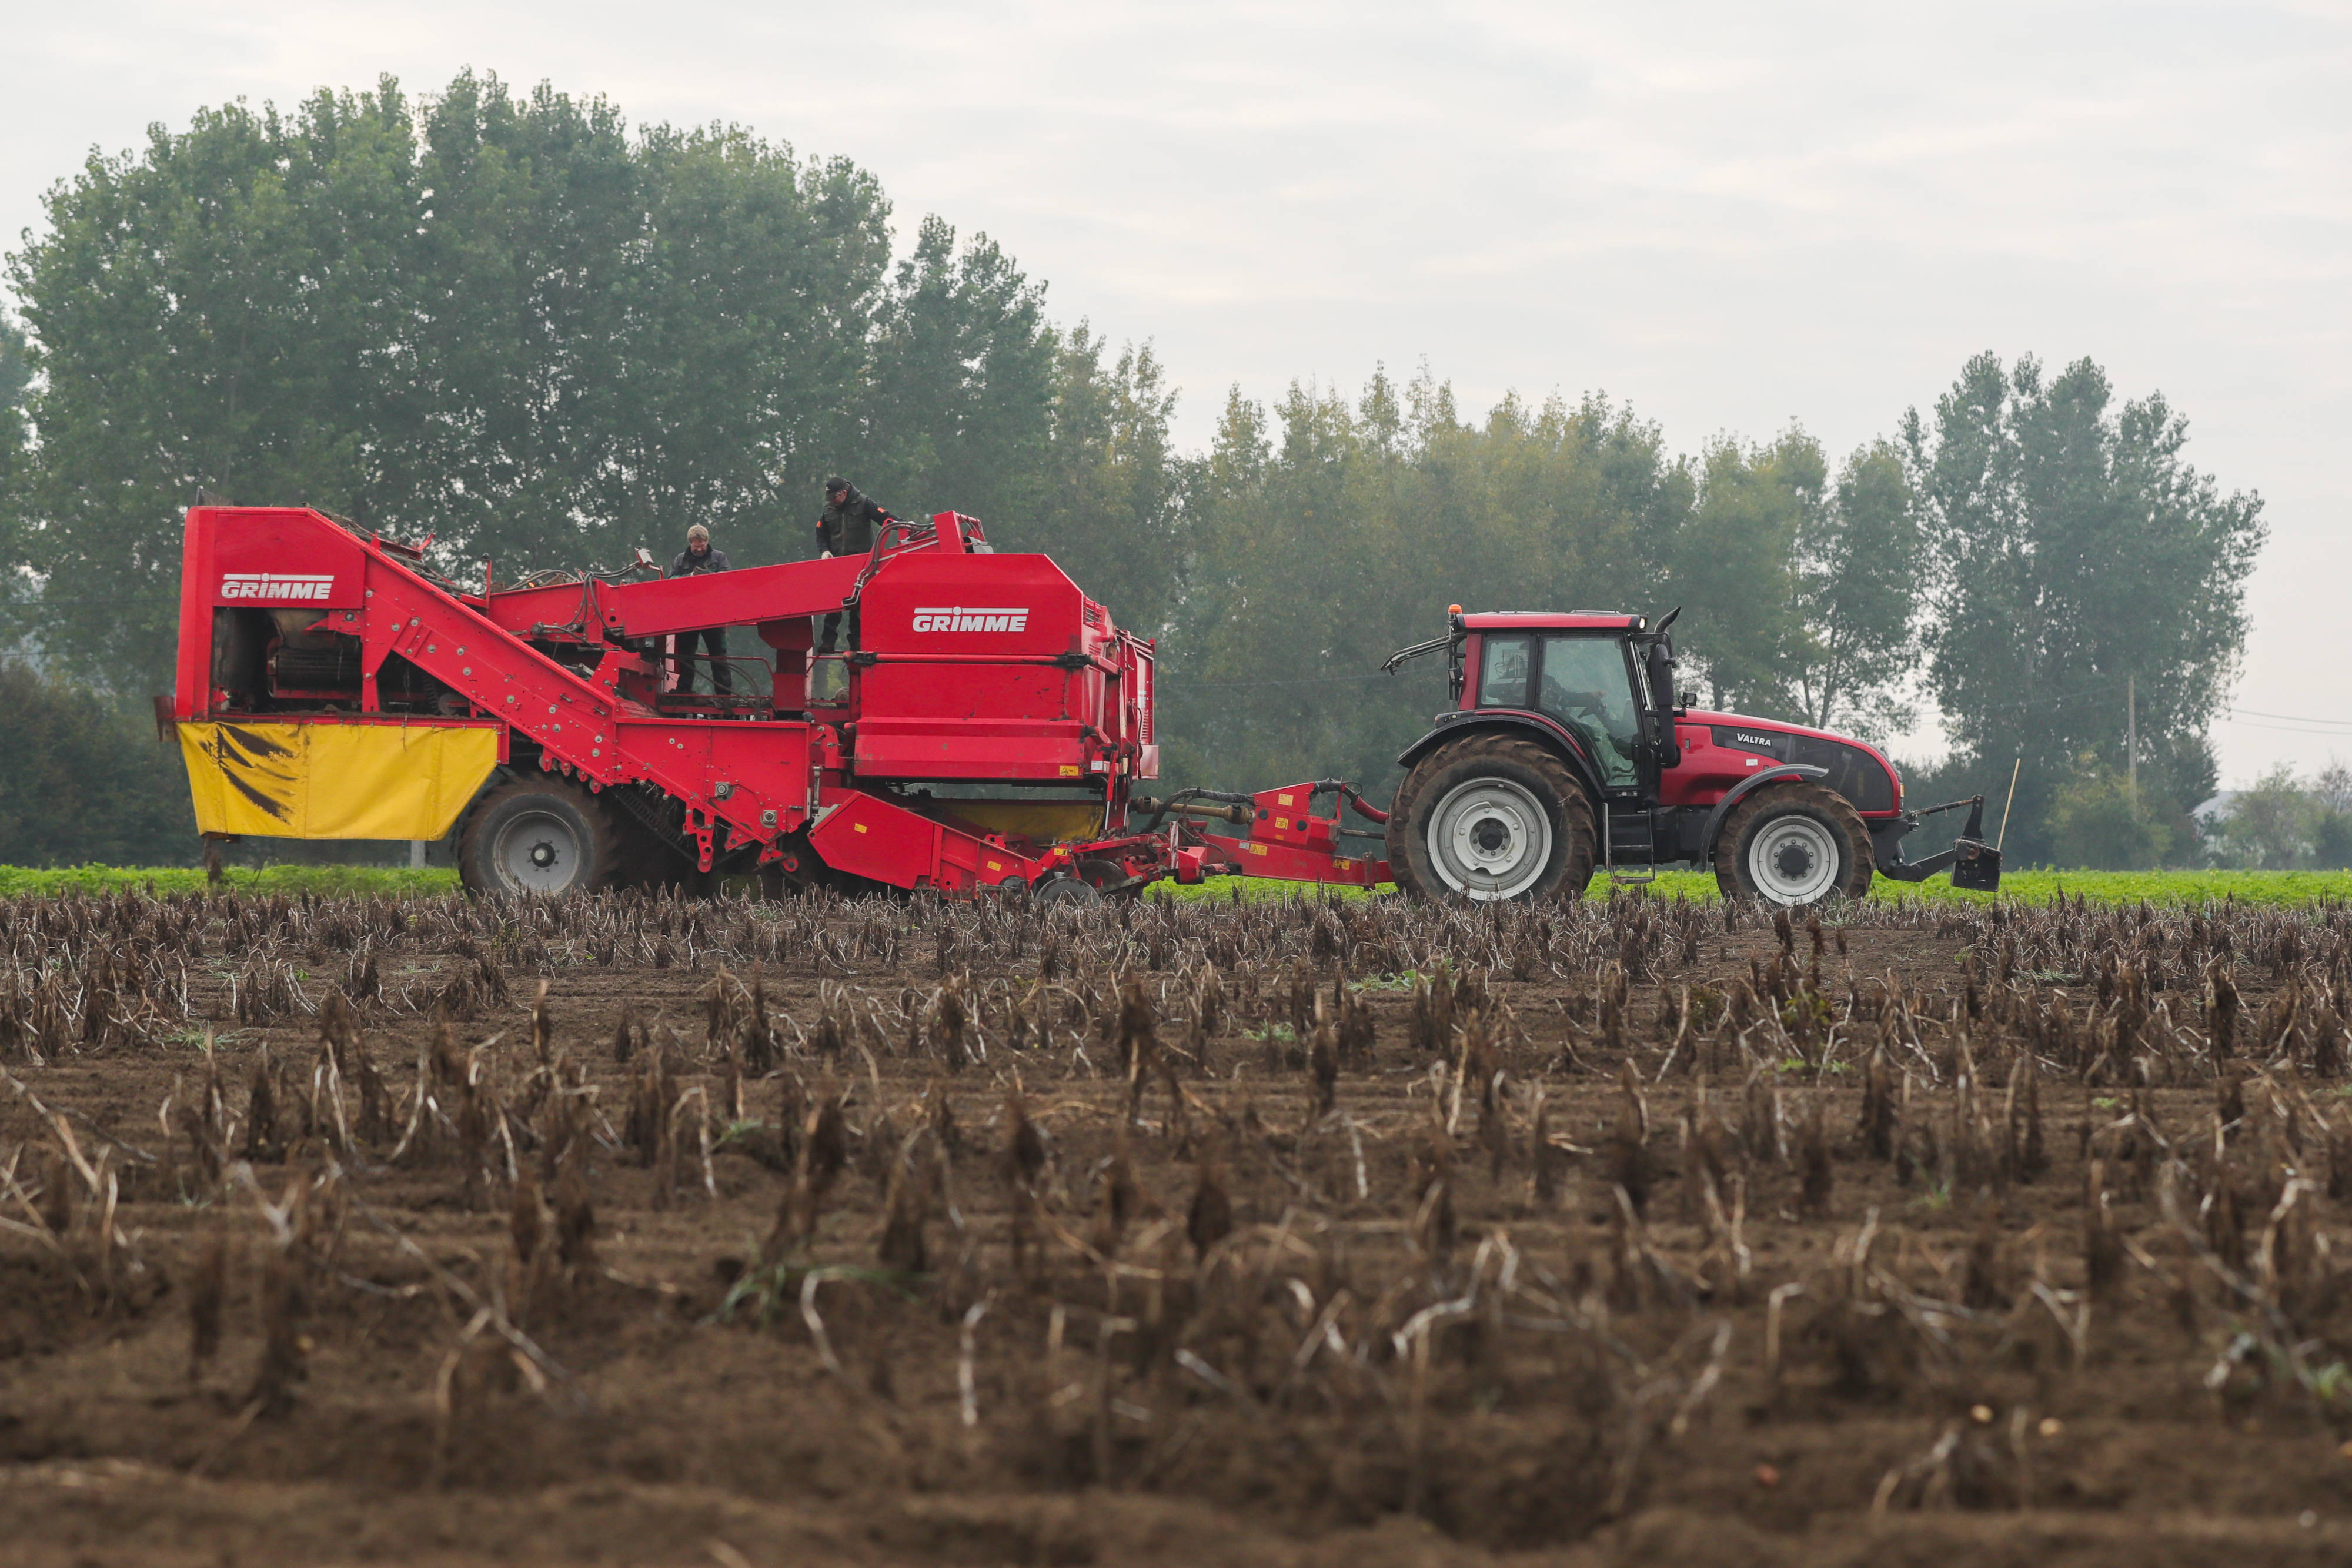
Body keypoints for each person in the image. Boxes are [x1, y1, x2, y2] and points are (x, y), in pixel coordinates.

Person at [814, 476, 897, 653]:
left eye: (834, 498)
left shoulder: (864, 503)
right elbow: (821, 532)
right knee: (833, 604)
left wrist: (906, 526)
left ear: (843, 493)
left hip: (861, 565)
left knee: (858, 605)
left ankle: (856, 643)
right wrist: (824, 550)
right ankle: (828, 642)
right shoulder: (829, 508)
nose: (832, 502)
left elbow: (886, 519)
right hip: (837, 564)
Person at [667, 524, 734, 695]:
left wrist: (708, 577)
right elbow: (671, 581)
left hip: (713, 614)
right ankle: (684, 690)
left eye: (701, 545)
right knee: (686, 654)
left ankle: (724, 694)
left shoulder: (720, 557)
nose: (698, 548)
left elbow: (729, 579)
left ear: (707, 541)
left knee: (718, 655)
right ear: (690, 543)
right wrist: (689, 577)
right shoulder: (680, 559)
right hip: (688, 614)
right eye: (695, 546)